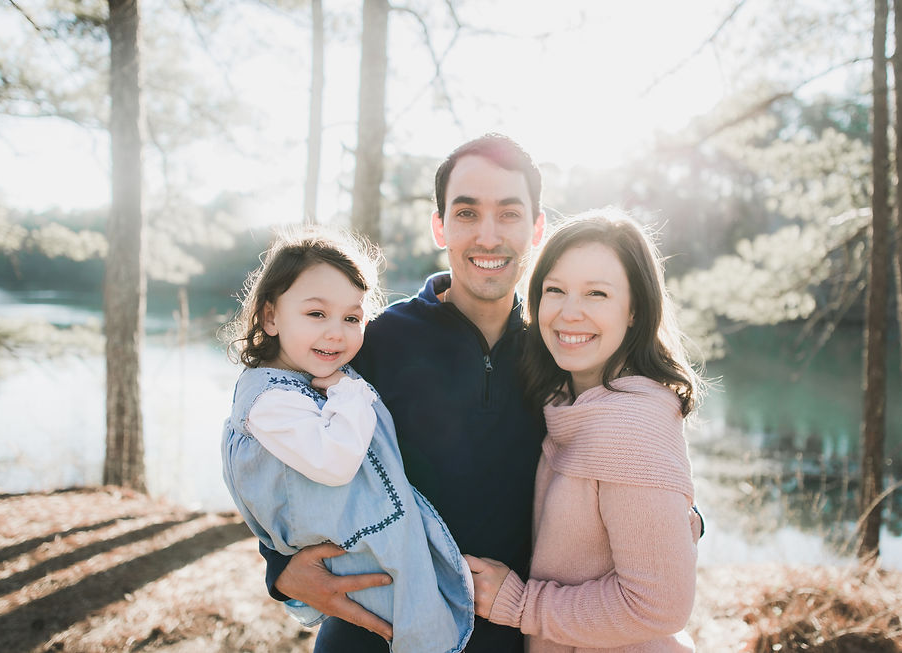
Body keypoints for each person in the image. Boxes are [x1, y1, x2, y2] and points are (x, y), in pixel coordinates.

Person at [261, 134, 548, 653]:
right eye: (466, 213)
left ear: (536, 228)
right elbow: (268, 438)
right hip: (372, 633)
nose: (488, 236)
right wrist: (279, 567)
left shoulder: (559, 348)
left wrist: (678, 515)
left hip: (504, 634)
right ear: (440, 226)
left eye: (509, 213)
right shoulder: (377, 341)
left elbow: (620, 443)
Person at [220, 229, 475, 653]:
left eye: (352, 318)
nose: (336, 333)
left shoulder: (311, 377)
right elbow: (335, 462)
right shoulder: (271, 399)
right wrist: (349, 392)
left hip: (379, 540)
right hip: (358, 555)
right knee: (414, 624)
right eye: (316, 313)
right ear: (270, 317)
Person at [465, 210, 703, 652]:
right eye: (555, 290)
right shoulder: (566, 401)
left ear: (634, 310)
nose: (569, 313)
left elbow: (659, 606)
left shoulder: (630, 424)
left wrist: (519, 605)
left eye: (597, 293)